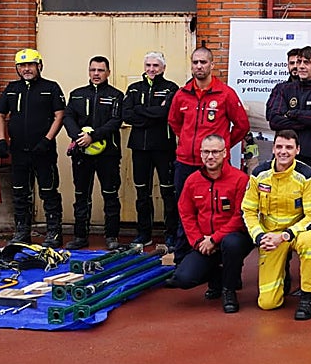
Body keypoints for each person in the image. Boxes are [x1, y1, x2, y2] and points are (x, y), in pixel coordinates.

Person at [168, 47, 249, 261]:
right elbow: (175, 122)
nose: (199, 66)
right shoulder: (181, 94)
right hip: (186, 162)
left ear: (212, 65)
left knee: (221, 213)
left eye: (203, 62)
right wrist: (188, 143)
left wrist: (223, 146)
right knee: (185, 212)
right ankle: (183, 259)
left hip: (217, 167)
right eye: (195, 62)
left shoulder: (226, 93)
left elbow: (242, 125)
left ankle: (224, 262)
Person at [266, 44, 311, 284]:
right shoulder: (283, 89)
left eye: (307, 62)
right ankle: (283, 266)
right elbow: (274, 120)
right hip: (287, 164)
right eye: (298, 62)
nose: (301, 66)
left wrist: (292, 116)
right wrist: (306, 118)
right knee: (283, 211)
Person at [242, 129, 311, 320]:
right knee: (268, 304)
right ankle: (281, 274)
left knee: (310, 242)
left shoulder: (307, 175)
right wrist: (260, 236)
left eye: (289, 147)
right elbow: (248, 211)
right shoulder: (259, 174)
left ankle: (308, 296)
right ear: (273, 148)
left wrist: (287, 234)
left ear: (297, 150)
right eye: (279, 146)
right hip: (270, 237)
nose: (283, 151)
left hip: (297, 233)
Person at [169, 134, 253, 311]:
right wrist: (199, 241)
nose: (210, 156)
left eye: (215, 152)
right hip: (204, 242)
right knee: (183, 280)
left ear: (225, 153)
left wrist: (214, 239)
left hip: (233, 238)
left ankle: (228, 290)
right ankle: (217, 278)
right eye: (206, 152)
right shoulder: (192, 181)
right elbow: (186, 213)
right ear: (200, 154)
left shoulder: (240, 179)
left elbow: (240, 216)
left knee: (232, 244)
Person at [0, 48, 66, 246]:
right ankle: (22, 232)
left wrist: (47, 139)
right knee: (20, 193)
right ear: (17, 68)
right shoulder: (12, 88)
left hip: (43, 151)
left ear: (39, 66)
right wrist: (1, 140)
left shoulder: (51, 88)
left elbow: (60, 115)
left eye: (30, 65)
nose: (26, 69)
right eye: (22, 66)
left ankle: (53, 233)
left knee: (49, 191)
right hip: (19, 152)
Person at [63, 56, 125, 250]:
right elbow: (68, 117)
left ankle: (112, 237)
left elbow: (115, 122)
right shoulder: (77, 94)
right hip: (82, 154)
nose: (96, 74)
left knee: (110, 195)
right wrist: (78, 137)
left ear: (108, 72)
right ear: (88, 72)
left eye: (100, 70)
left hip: (108, 155)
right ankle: (80, 236)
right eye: (93, 70)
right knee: (81, 195)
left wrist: (94, 137)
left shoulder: (116, 95)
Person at [122, 51, 179, 248]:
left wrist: (141, 110)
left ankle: (171, 233)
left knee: (168, 193)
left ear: (163, 68)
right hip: (139, 148)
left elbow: (166, 113)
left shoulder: (171, 88)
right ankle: (143, 233)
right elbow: (126, 115)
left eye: (155, 66)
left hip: (164, 148)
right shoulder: (134, 89)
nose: (151, 69)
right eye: (148, 65)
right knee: (142, 193)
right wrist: (152, 114)